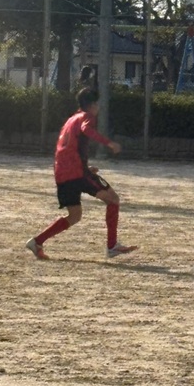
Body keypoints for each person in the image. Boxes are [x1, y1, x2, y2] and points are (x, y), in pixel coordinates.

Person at [26, 88, 137, 260]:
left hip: (62, 174)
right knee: (113, 199)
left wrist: (84, 167)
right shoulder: (87, 117)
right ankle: (112, 246)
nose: (98, 107)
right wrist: (109, 143)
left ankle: (37, 242)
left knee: (75, 215)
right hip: (76, 173)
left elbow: (67, 149)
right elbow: (87, 130)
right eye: (97, 104)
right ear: (92, 105)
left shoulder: (71, 120)